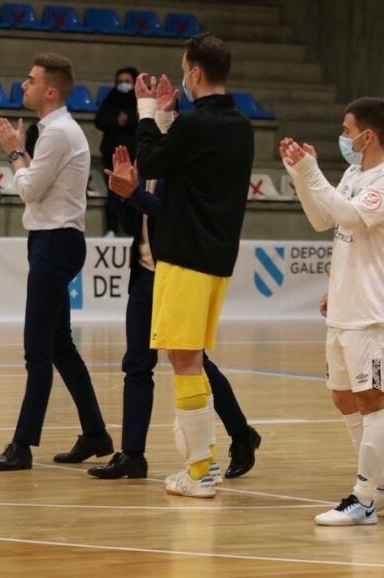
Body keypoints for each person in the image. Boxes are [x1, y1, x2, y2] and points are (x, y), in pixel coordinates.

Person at [93, 144, 261, 480]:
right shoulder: (145, 162)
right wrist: (123, 193)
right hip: (144, 273)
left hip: (180, 272)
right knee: (136, 364)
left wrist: (134, 193)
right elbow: (134, 220)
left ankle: (241, 434)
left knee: (195, 361)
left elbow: (172, 213)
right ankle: (133, 454)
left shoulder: (186, 163)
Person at [133, 33, 254, 498]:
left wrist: (149, 113)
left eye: (185, 68)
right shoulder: (241, 124)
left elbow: (150, 162)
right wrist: (168, 119)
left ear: (195, 72)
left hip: (184, 256)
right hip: (219, 256)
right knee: (193, 357)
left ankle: (200, 469)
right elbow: (185, 162)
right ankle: (203, 461)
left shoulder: (197, 125)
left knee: (182, 358)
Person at [282, 97, 384, 525]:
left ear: (367, 135)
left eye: (346, 128)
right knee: (342, 397)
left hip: (373, 313)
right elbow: (325, 219)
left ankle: (365, 498)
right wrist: (302, 175)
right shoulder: (356, 172)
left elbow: (351, 216)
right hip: (345, 307)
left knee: (372, 401)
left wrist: (313, 173)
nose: (343, 136)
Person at [0, 53, 113, 471]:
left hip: (56, 243)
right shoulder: (55, 130)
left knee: (36, 351)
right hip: (52, 241)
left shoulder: (59, 133)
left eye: (31, 80)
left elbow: (29, 190)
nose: (23, 85)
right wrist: (22, 153)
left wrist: (13, 152)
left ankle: (22, 446)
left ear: (51, 90)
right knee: (60, 347)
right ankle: (96, 433)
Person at [94, 66, 138, 237]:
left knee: (133, 194)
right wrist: (115, 119)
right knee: (113, 193)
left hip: (133, 155)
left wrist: (128, 121)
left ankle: (132, 230)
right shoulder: (111, 99)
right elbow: (99, 120)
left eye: (127, 82)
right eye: (120, 82)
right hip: (111, 156)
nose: (123, 85)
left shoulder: (138, 102)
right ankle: (111, 229)